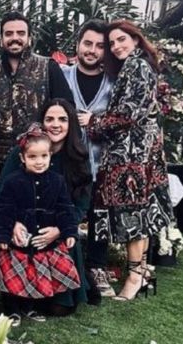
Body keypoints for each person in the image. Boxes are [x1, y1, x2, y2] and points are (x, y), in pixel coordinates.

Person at [84, 20, 174, 301]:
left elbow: (127, 115)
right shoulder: (140, 66)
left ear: (136, 39)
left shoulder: (136, 67)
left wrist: (93, 122)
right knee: (143, 217)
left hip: (131, 158)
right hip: (141, 154)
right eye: (112, 43)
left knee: (133, 220)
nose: (116, 46)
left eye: (121, 39)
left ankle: (135, 278)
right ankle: (144, 275)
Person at [0, 99, 92, 315]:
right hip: (23, 231)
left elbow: (79, 204)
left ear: (71, 123)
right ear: (42, 122)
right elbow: (0, 195)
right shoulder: (20, 153)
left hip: (58, 231)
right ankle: (18, 298)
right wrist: (14, 224)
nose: (56, 124)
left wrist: (60, 229)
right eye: (50, 119)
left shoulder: (78, 157)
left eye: (62, 119)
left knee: (58, 309)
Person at [61, 20, 117, 301]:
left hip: (103, 165)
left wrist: (96, 121)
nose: (92, 50)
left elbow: (127, 118)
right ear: (78, 45)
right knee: (64, 214)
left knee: (100, 218)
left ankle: (97, 267)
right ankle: (63, 265)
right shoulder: (61, 75)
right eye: (88, 44)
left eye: (99, 46)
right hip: (68, 165)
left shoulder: (115, 83)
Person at [0, 11, 75, 164]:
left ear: (29, 38)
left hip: (42, 159)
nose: (15, 38)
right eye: (9, 33)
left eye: (20, 33)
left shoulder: (48, 67)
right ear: (1, 40)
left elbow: (67, 109)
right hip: (5, 161)